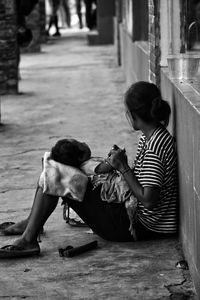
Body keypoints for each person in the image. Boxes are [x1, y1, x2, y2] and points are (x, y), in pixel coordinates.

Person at [0, 81, 178, 258]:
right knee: (57, 168)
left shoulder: (156, 144)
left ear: (132, 115)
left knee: (55, 174)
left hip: (136, 225)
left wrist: (123, 168)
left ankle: (29, 237)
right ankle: (32, 225)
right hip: (136, 216)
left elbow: (149, 201)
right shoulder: (151, 137)